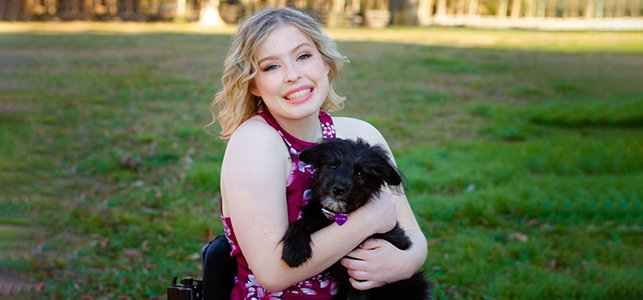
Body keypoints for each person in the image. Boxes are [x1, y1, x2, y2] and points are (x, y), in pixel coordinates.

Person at [209, 7, 427, 300]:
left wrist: (404, 263)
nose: (293, 75)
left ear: (325, 62)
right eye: (271, 67)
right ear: (253, 85)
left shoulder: (362, 135)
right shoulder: (256, 142)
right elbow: (272, 274)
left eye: (303, 56)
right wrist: (367, 220)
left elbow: (415, 239)